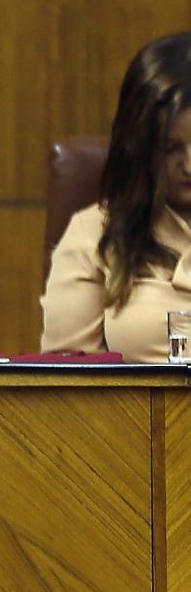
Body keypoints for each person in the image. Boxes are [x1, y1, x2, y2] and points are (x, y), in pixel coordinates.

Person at [41, 33, 191, 362]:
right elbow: (68, 385)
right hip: (137, 413)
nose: (189, 165)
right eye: (171, 149)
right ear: (139, 146)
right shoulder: (94, 232)